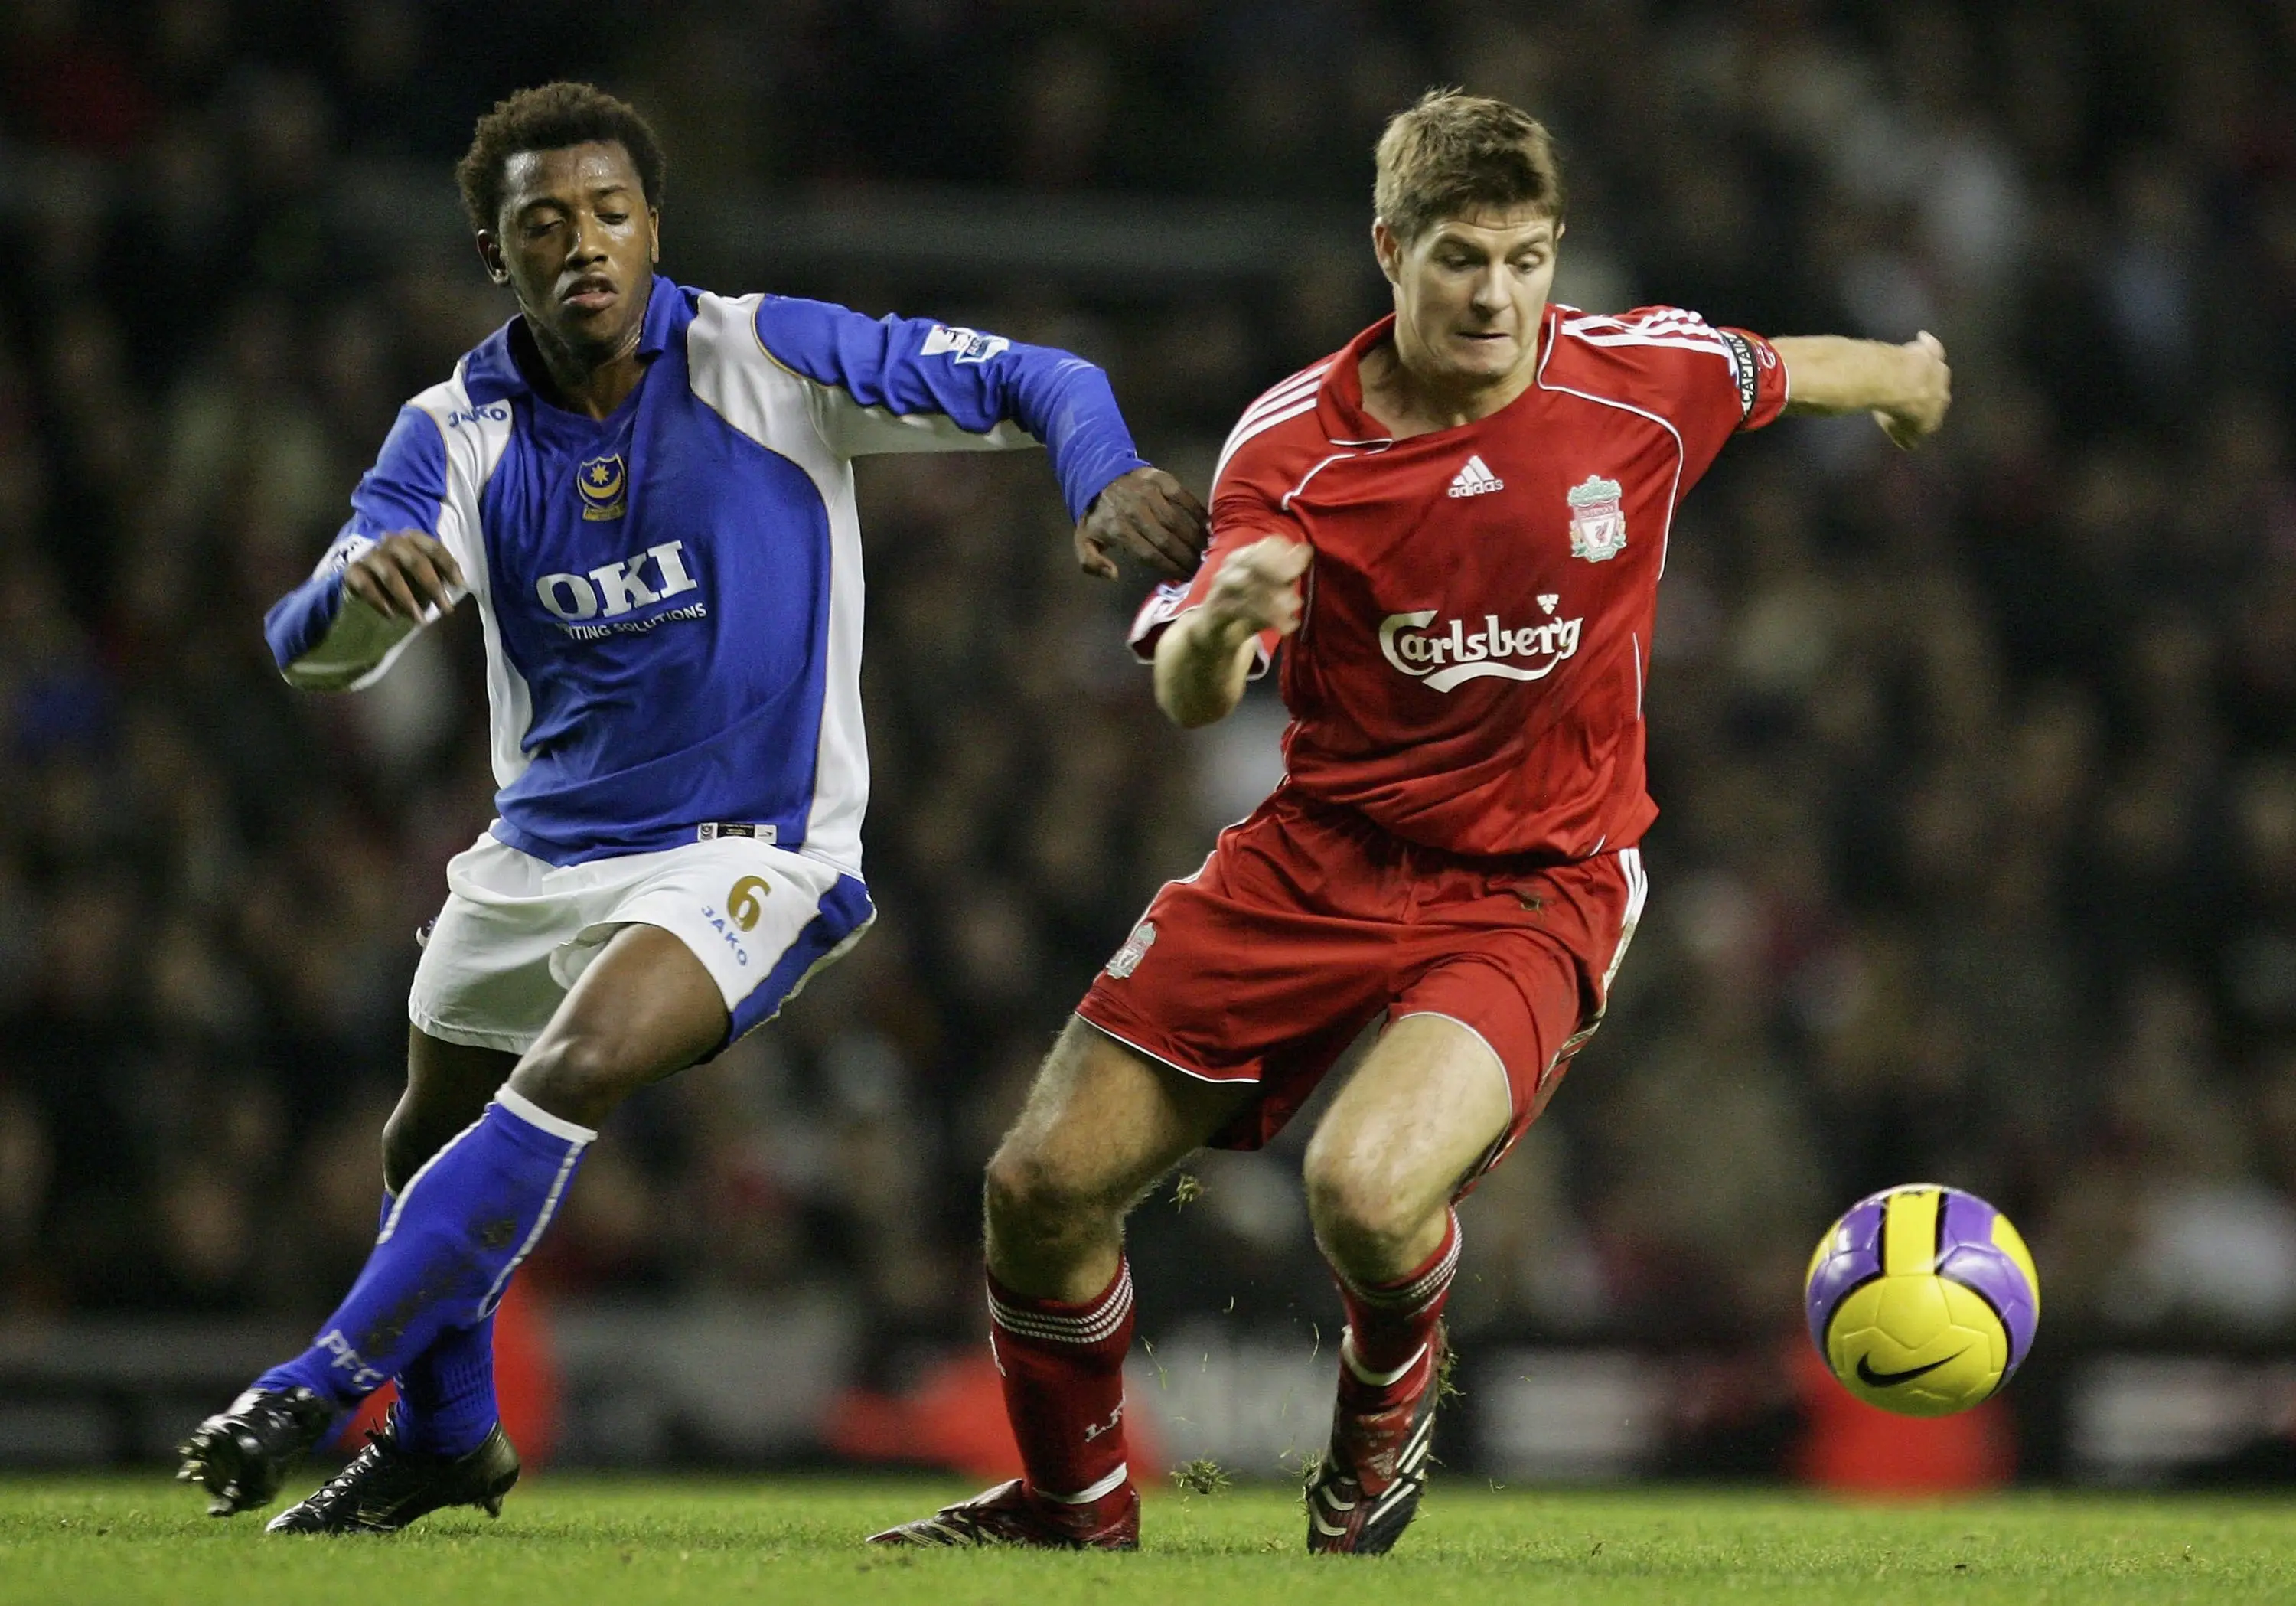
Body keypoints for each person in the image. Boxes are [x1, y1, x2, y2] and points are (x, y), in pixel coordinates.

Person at [870, 90, 1950, 1554]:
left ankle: (1374, 1445)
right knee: (1038, 1186)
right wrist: (1223, 626)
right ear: (1390, 251)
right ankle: (1075, 1510)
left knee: (1366, 1189)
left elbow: (1784, 368)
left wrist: (1907, 373)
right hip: (1319, 852)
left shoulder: (1642, 381)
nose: (1494, 293)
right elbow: (1195, 692)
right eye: (1458, 257)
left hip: (1537, 880)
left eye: (1521, 256)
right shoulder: (1293, 446)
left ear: (1555, 250)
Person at [173, 80, 1205, 1533]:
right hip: (534, 857)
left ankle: (313, 1382)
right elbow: (306, 647)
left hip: (753, 849)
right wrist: (355, 596)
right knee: (425, 1142)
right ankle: (444, 1438)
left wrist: (1098, 484)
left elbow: (1047, 375)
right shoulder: (456, 426)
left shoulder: (765, 354)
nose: (584, 243)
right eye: (545, 223)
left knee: (579, 1061)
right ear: (498, 251)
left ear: (655, 227)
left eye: (610, 212)